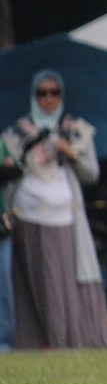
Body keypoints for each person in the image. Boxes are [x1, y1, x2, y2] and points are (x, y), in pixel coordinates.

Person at [1, 70, 107, 349]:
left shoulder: (75, 128)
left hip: (64, 214)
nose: (48, 98)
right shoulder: (16, 131)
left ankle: (62, 337)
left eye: (54, 92)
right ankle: (33, 337)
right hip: (25, 213)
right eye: (42, 92)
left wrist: (70, 151)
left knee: (60, 278)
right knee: (31, 279)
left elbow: (92, 174)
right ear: (33, 95)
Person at [0, 138, 22, 352]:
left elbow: (17, 171)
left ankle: (4, 342)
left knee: (4, 284)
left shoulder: (3, 143)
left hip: (1, 224)